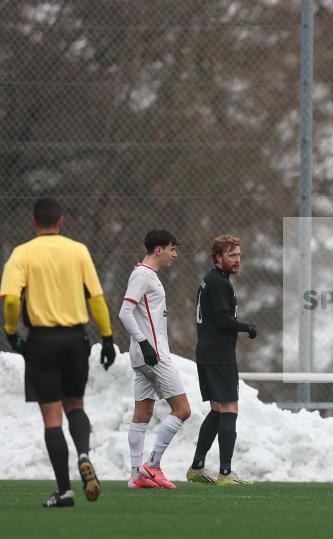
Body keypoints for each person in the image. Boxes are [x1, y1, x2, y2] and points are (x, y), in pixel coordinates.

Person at [0, 197, 116, 507]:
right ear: (61, 222)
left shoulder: (22, 253)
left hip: (42, 341)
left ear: (34, 222)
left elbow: (11, 300)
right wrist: (106, 337)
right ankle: (84, 455)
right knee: (75, 405)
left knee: (52, 418)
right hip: (76, 339)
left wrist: (12, 332)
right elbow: (96, 298)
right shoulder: (78, 251)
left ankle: (65, 491)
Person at [118, 230, 191, 490]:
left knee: (143, 413)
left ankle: (137, 474)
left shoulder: (149, 276)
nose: (175, 254)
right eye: (172, 249)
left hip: (143, 356)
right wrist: (144, 342)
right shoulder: (142, 275)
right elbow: (125, 312)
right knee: (183, 410)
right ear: (158, 250)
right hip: (153, 355)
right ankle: (153, 465)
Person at [186, 235, 256, 485]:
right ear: (218, 258)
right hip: (218, 354)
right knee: (229, 409)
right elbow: (224, 320)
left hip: (207, 352)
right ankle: (225, 473)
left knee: (217, 411)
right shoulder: (218, 283)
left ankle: (196, 468)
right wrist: (247, 327)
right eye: (231, 255)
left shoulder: (213, 280)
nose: (237, 260)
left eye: (238, 254)